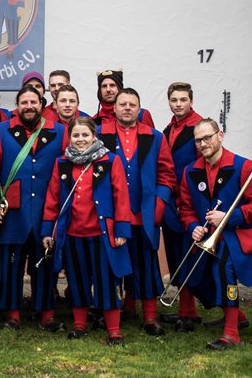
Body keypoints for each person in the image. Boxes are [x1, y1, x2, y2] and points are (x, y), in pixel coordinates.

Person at [41, 117, 133, 346]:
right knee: (77, 279)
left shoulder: (111, 160)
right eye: (76, 135)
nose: (80, 140)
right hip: (73, 234)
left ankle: (114, 330)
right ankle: (79, 325)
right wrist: (47, 231)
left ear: (94, 136)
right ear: (69, 138)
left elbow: (121, 197)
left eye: (85, 135)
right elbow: (53, 198)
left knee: (107, 281)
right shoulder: (61, 162)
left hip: (103, 233)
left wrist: (121, 229)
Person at [0, 85, 66, 332]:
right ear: (17, 105)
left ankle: (47, 314)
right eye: (24, 102)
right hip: (13, 212)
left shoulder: (59, 132)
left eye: (34, 102)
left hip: (46, 211)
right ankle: (13, 314)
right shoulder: (1, 131)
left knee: (45, 264)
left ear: (42, 104)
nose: (29, 106)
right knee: (11, 265)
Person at [98, 87, 175, 336]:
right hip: (113, 215)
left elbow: (166, 175)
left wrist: (159, 205)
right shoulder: (100, 135)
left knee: (146, 265)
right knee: (113, 266)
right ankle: (115, 312)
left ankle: (150, 318)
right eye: (123, 104)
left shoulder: (154, 137)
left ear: (139, 108)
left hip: (145, 214)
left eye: (132, 104)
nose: (127, 108)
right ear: (115, 108)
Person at [179, 118, 252, 350]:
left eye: (207, 137)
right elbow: (186, 208)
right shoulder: (191, 171)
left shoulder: (243, 166)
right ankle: (236, 315)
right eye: (198, 140)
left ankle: (231, 334)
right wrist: (193, 227)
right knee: (194, 277)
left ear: (220, 135)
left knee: (223, 270)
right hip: (207, 237)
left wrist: (228, 218)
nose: (203, 143)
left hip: (236, 235)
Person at [160, 82, 204, 330]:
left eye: (183, 99)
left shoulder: (199, 127)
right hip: (172, 202)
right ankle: (185, 309)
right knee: (178, 256)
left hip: (191, 201)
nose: (178, 104)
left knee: (192, 257)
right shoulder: (168, 130)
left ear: (191, 101)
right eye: (174, 100)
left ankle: (189, 313)